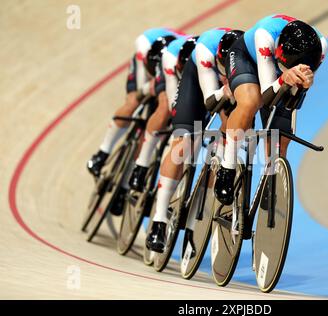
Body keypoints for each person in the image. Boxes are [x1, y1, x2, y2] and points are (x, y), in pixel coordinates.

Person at [146, 28, 244, 253]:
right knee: (185, 143)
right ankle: (159, 221)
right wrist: (223, 92)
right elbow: (210, 99)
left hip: (229, 80)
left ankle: (201, 213)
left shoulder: (245, 61)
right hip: (198, 77)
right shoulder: (204, 52)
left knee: (231, 129)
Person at [213, 14, 328, 206]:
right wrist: (283, 79)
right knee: (250, 101)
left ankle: (270, 179)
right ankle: (227, 167)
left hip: (279, 68)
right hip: (246, 58)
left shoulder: (320, 47)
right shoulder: (264, 35)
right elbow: (266, 96)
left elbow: (293, 102)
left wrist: (303, 86)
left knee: (280, 134)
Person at [86, 27, 184, 178]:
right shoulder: (144, 46)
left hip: (169, 72)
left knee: (152, 128)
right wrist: (146, 89)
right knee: (133, 102)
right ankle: (102, 154)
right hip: (148, 68)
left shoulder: (181, 57)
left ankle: (126, 182)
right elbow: (141, 87)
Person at [128, 35, 197, 192]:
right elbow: (175, 104)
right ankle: (141, 166)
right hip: (170, 65)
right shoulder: (170, 59)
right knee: (166, 105)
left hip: (192, 73)